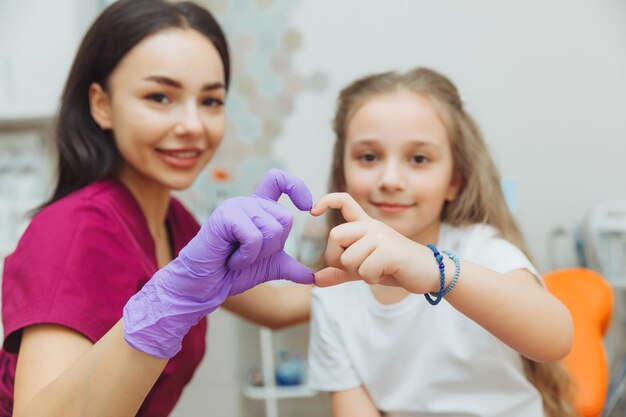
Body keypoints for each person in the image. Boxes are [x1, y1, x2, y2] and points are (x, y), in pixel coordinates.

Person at [0, 1, 313, 416]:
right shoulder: (71, 231)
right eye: (160, 96)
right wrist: (166, 305)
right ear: (102, 105)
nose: (193, 125)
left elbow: (277, 309)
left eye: (211, 101)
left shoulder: (171, 220)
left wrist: (385, 259)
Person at [307, 67, 577, 417]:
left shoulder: (482, 249)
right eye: (368, 157)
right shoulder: (332, 298)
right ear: (342, 172)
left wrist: (437, 271)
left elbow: (556, 338)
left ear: (454, 181)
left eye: (419, 159)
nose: (390, 179)